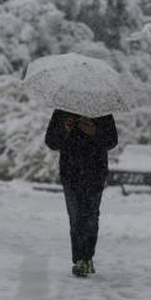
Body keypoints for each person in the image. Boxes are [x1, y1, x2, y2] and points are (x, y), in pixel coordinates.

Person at [44, 109, 118, 277]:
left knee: (91, 216)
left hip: (95, 172)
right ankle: (79, 259)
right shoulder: (62, 111)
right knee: (76, 216)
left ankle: (87, 258)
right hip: (70, 172)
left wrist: (95, 132)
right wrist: (65, 130)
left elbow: (112, 141)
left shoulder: (102, 111)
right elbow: (51, 141)